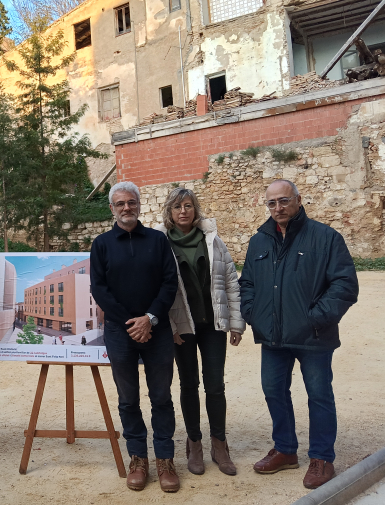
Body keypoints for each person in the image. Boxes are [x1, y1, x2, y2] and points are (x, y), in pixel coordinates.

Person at [240, 179, 358, 489]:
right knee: (273, 391)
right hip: (273, 336)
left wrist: (315, 318)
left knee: (319, 395)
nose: (278, 208)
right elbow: (247, 283)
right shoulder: (259, 242)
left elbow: (345, 285)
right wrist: (253, 314)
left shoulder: (325, 237)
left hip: (313, 336)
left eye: (284, 200)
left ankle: (321, 457)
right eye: (272, 203)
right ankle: (285, 450)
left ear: (298, 199)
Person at [90, 181, 181, 493]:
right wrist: (131, 323)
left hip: (157, 330)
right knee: (128, 399)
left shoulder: (157, 240)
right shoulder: (101, 244)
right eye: (120, 204)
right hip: (120, 332)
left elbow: (170, 282)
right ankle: (138, 458)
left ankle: (165, 460)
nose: (126, 208)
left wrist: (149, 318)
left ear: (139, 205)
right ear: (112, 209)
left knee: (161, 397)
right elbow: (99, 288)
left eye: (131, 202)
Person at [154, 188, 245, 477]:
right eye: (177, 206)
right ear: (169, 212)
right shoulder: (161, 244)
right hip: (181, 327)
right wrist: (169, 327)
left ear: (195, 209)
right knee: (189, 384)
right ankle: (194, 443)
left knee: (215, 385)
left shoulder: (212, 240)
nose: (183, 211)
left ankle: (220, 444)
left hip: (212, 324)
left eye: (188, 205)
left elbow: (230, 281)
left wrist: (236, 322)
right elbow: (156, 287)